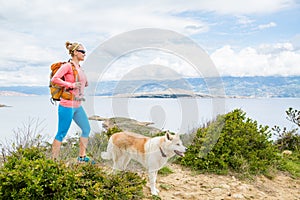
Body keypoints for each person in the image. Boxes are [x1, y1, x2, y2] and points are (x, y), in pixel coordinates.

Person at [51, 41, 91, 163]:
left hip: (78, 105)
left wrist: (84, 83)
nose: (84, 54)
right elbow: (55, 79)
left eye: (85, 52)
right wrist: (70, 84)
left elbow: (83, 82)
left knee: (86, 129)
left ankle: (82, 157)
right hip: (67, 105)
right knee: (61, 133)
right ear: (74, 52)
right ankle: (54, 162)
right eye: (82, 51)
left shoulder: (79, 68)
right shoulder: (67, 66)